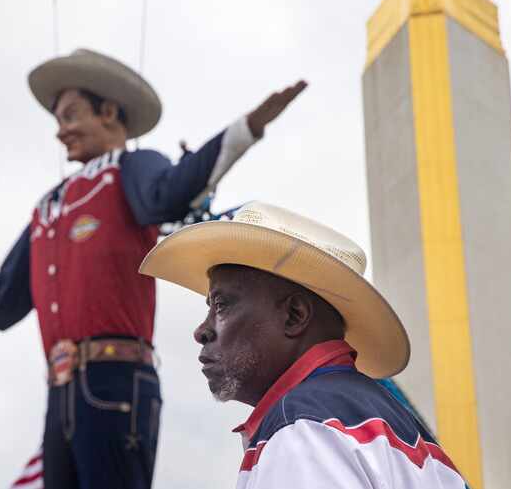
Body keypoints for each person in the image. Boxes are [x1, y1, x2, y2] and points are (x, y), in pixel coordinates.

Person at [0, 49, 306, 489]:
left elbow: (167, 196)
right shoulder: (47, 209)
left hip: (115, 384)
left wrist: (244, 131)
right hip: (61, 392)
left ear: (110, 112)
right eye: (57, 121)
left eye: (71, 115)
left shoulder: (130, 167)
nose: (61, 131)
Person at [139, 201, 469, 488]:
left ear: (295, 315)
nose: (202, 330)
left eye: (221, 306)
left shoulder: (304, 426)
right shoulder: (388, 421)